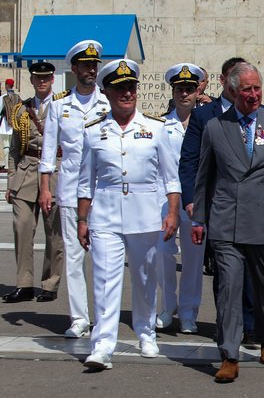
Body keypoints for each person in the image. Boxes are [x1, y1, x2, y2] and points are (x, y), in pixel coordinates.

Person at [192, 62, 264, 383]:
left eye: (257, 88)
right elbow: (203, 180)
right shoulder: (215, 127)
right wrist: (199, 219)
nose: (253, 95)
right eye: (246, 90)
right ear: (232, 91)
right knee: (228, 288)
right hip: (226, 222)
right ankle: (229, 353)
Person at [77, 59, 181, 370]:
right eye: (120, 88)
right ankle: (102, 345)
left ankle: (146, 332)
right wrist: (82, 219)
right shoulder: (94, 131)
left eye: (131, 87)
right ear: (106, 92)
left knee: (145, 277)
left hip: (145, 215)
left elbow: (171, 177)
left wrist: (172, 212)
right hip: (106, 216)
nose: (127, 93)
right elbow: (86, 181)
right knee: (105, 280)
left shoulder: (155, 128)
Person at [178, 57, 257, 342]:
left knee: (250, 268)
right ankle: (226, 325)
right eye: (237, 79)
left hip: (253, 207)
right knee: (225, 269)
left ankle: (248, 325)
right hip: (217, 205)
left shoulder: (263, 114)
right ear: (225, 81)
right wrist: (191, 200)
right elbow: (188, 161)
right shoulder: (204, 116)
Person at [39, 40, 111, 339]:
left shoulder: (107, 103)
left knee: (104, 258)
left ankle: (105, 317)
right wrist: (45, 187)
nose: (91, 70)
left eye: (94, 65)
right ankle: (79, 318)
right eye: (85, 65)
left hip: (103, 191)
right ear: (74, 69)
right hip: (69, 190)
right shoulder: (59, 104)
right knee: (73, 257)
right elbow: (48, 150)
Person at [3, 62, 63, 304]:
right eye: (38, 78)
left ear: (52, 79)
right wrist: (10, 180)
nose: (42, 81)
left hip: (56, 173)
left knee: (54, 233)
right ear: (31, 80)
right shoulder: (20, 109)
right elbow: (14, 148)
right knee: (23, 228)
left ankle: (50, 283)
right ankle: (24, 284)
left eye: (46, 77)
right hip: (26, 172)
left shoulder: (62, 106)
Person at [154, 63, 206, 334]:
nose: (184, 94)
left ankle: (188, 311)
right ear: (173, 92)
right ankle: (167, 305)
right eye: (179, 89)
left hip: (196, 201)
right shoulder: (162, 125)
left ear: (198, 91)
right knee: (163, 254)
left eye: (189, 89)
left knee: (194, 260)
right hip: (168, 201)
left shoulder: (207, 123)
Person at [1, 78, 21, 170]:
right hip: (15, 124)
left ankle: (7, 165)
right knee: (14, 145)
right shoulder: (18, 97)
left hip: (5, 124)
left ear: (6, 85)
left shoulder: (2, 97)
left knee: (6, 145)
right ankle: (13, 163)